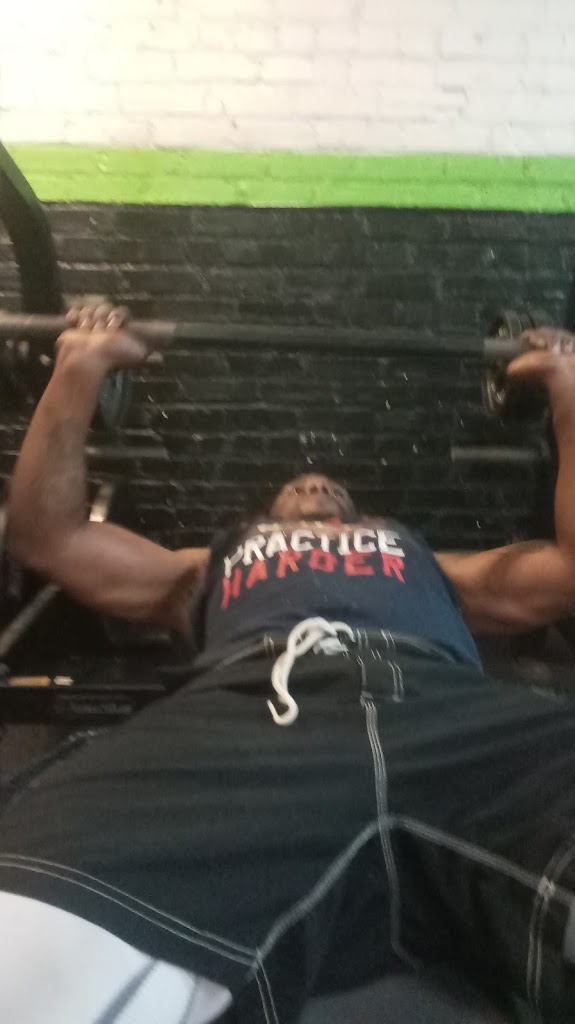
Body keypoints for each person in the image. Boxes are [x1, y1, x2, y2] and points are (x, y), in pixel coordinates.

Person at [1, 304, 575, 1024]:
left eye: (330, 487)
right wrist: (78, 368)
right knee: (34, 930)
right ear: (267, 515)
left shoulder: (426, 560)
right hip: (248, 717)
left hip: (449, 714)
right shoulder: (208, 563)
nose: (315, 487)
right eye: (298, 486)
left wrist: (566, 390)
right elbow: (49, 538)